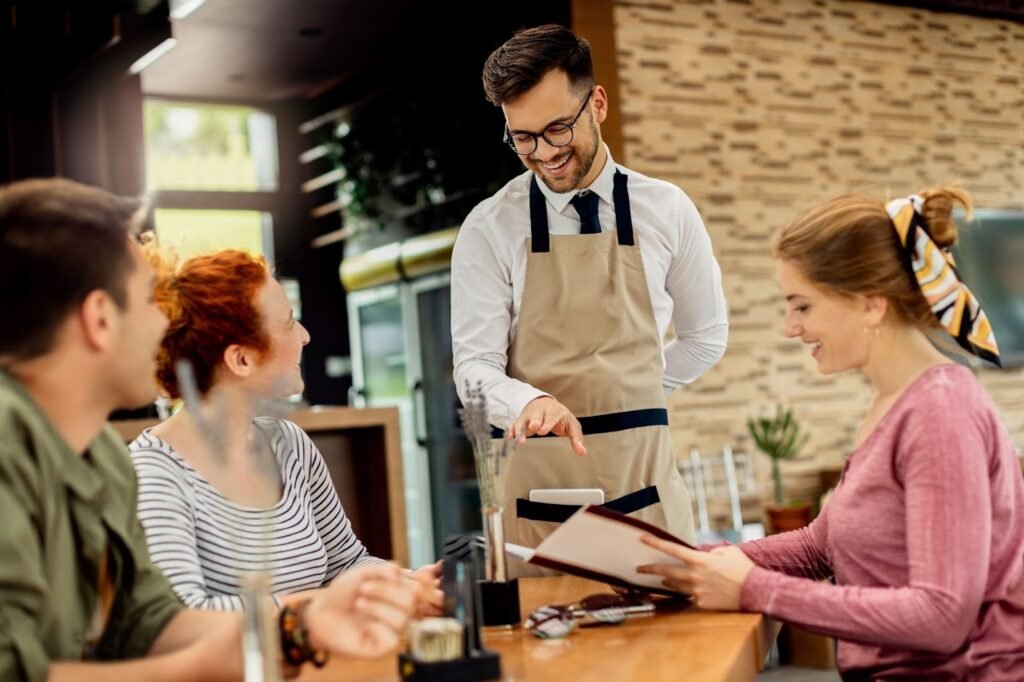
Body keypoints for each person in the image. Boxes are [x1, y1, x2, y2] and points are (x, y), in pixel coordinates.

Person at [0, 178, 415, 681]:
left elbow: (150, 622)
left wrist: (300, 625)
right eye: (146, 302)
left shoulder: (102, 458)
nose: (164, 326)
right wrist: (284, 632)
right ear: (100, 319)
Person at [638, 187, 1024, 680]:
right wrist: (686, 565)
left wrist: (754, 588)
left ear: (869, 305)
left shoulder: (939, 413)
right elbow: (821, 546)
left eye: (802, 306)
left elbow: (942, 618)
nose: (790, 328)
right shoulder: (893, 402)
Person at [450, 24, 728, 555]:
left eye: (557, 129)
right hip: (537, 512)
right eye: (523, 137)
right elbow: (474, 372)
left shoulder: (667, 210)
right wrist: (532, 403)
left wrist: (627, 394)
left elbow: (705, 337)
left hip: (646, 495)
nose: (543, 153)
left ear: (597, 103)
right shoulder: (489, 229)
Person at [128, 248, 442, 616]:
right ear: (241, 359)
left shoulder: (290, 444)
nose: (305, 336)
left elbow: (345, 564)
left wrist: (407, 582)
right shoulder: (153, 473)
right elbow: (185, 618)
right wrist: (325, 607)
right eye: (290, 322)